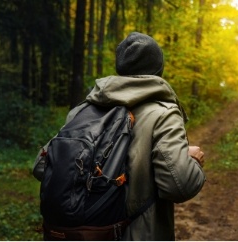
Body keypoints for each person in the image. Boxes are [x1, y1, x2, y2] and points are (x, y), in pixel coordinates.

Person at [33, 32, 206, 240]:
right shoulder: (164, 113)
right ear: (159, 69)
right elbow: (180, 185)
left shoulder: (84, 110)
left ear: (120, 67)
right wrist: (192, 160)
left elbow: (41, 165)